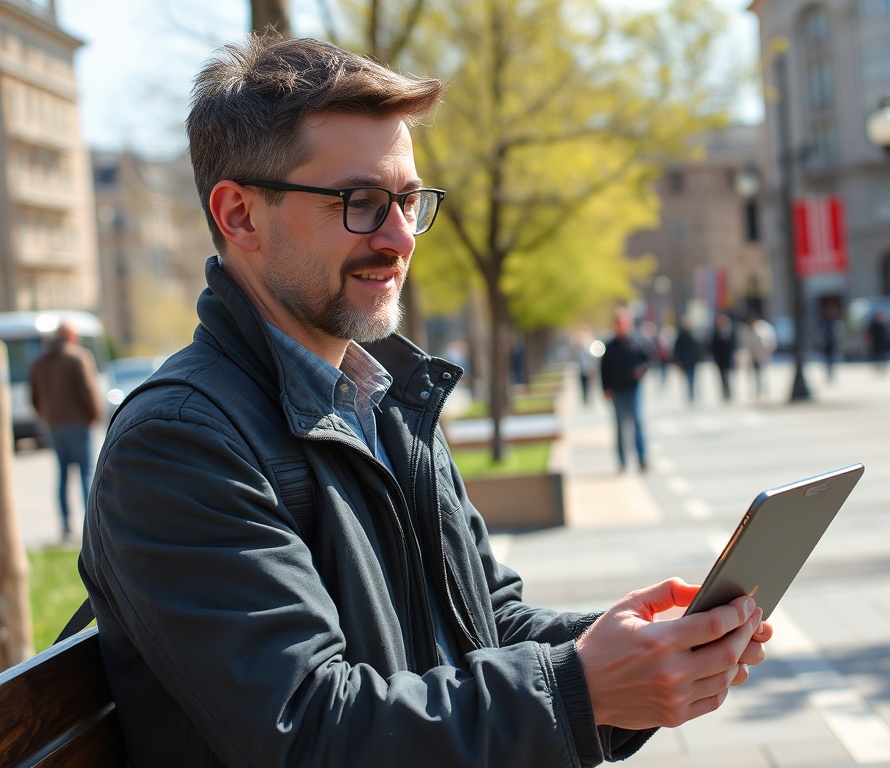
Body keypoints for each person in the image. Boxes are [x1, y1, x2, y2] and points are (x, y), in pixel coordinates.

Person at [78, 35, 771, 767]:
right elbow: (311, 732)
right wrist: (580, 688)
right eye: (362, 203)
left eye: (409, 200)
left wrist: (638, 651)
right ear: (241, 216)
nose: (400, 237)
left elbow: (486, 621)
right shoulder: (179, 445)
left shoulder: (384, 400)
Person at [29, 321, 103, 540]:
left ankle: (65, 525)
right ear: (69, 337)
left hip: (54, 426)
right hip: (79, 424)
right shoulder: (78, 357)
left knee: (62, 476)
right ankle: (92, 526)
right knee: (86, 474)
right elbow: (88, 392)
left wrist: (47, 416)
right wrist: (94, 417)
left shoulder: (40, 362)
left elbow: (33, 396)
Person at [600, 307, 653, 472]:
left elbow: (649, 360)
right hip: (617, 391)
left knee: (637, 421)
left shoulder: (637, 341)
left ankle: (642, 458)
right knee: (620, 426)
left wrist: (641, 370)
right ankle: (622, 461)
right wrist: (606, 389)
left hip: (633, 389)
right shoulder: (610, 346)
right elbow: (604, 369)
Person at [737, 313, 775, 399]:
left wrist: (766, 353)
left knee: (763, 374)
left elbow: (770, 342)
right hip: (752, 356)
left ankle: (764, 391)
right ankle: (755, 392)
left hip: (762, 356)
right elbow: (744, 343)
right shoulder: (745, 330)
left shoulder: (763, 328)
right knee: (752, 375)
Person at [672, 316, 702, 405]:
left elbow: (697, 348)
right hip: (685, 360)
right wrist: (678, 361)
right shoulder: (682, 335)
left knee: (693, 377)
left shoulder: (693, 333)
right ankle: (690, 394)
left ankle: (693, 394)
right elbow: (677, 349)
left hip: (693, 360)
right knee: (689, 377)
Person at [710, 313, 736, 402]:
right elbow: (713, 346)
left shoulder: (729, 331)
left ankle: (729, 392)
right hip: (719, 359)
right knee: (722, 376)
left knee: (729, 375)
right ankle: (724, 393)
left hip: (728, 358)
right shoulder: (716, 333)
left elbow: (733, 344)